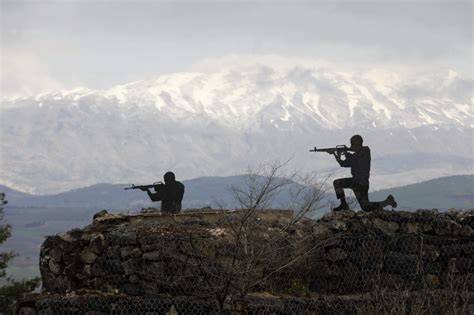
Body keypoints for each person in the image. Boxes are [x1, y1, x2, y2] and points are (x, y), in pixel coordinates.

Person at [332, 135, 397, 212]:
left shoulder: (365, 152)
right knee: (365, 207)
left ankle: (387, 202)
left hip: (361, 183)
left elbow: (353, 159)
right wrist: (336, 156)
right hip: (356, 182)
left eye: (352, 144)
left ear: (357, 144)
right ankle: (343, 205)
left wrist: (346, 153)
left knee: (365, 207)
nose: (351, 146)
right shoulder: (358, 154)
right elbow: (345, 164)